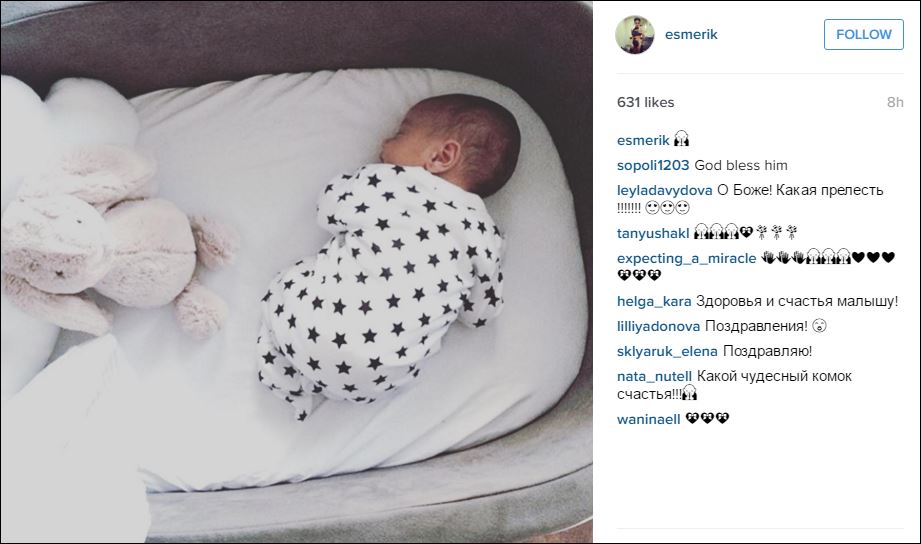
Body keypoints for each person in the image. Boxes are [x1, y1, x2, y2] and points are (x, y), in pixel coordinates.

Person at [256, 94, 520, 421]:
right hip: (378, 379)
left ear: (441, 156)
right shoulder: (485, 236)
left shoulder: (389, 182)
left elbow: (329, 210)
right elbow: (480, 315)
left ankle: (283, 369)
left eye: (400, 133)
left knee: (293, 278)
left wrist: (354, 182)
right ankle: (305, 377)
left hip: (311, 326)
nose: (385, 142)